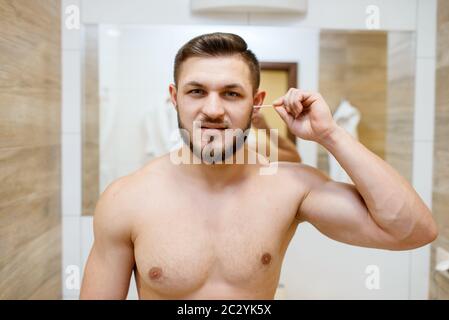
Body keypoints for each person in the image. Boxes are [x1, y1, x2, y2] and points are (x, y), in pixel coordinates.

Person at [80, 32, 437, 300]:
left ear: (256, 103)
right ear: (174, 98)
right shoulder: (126, 198)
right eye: (197, 91)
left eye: (232, 94)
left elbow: (413, 231)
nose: (214, 110)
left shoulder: (290, 187)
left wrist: (331, 135)